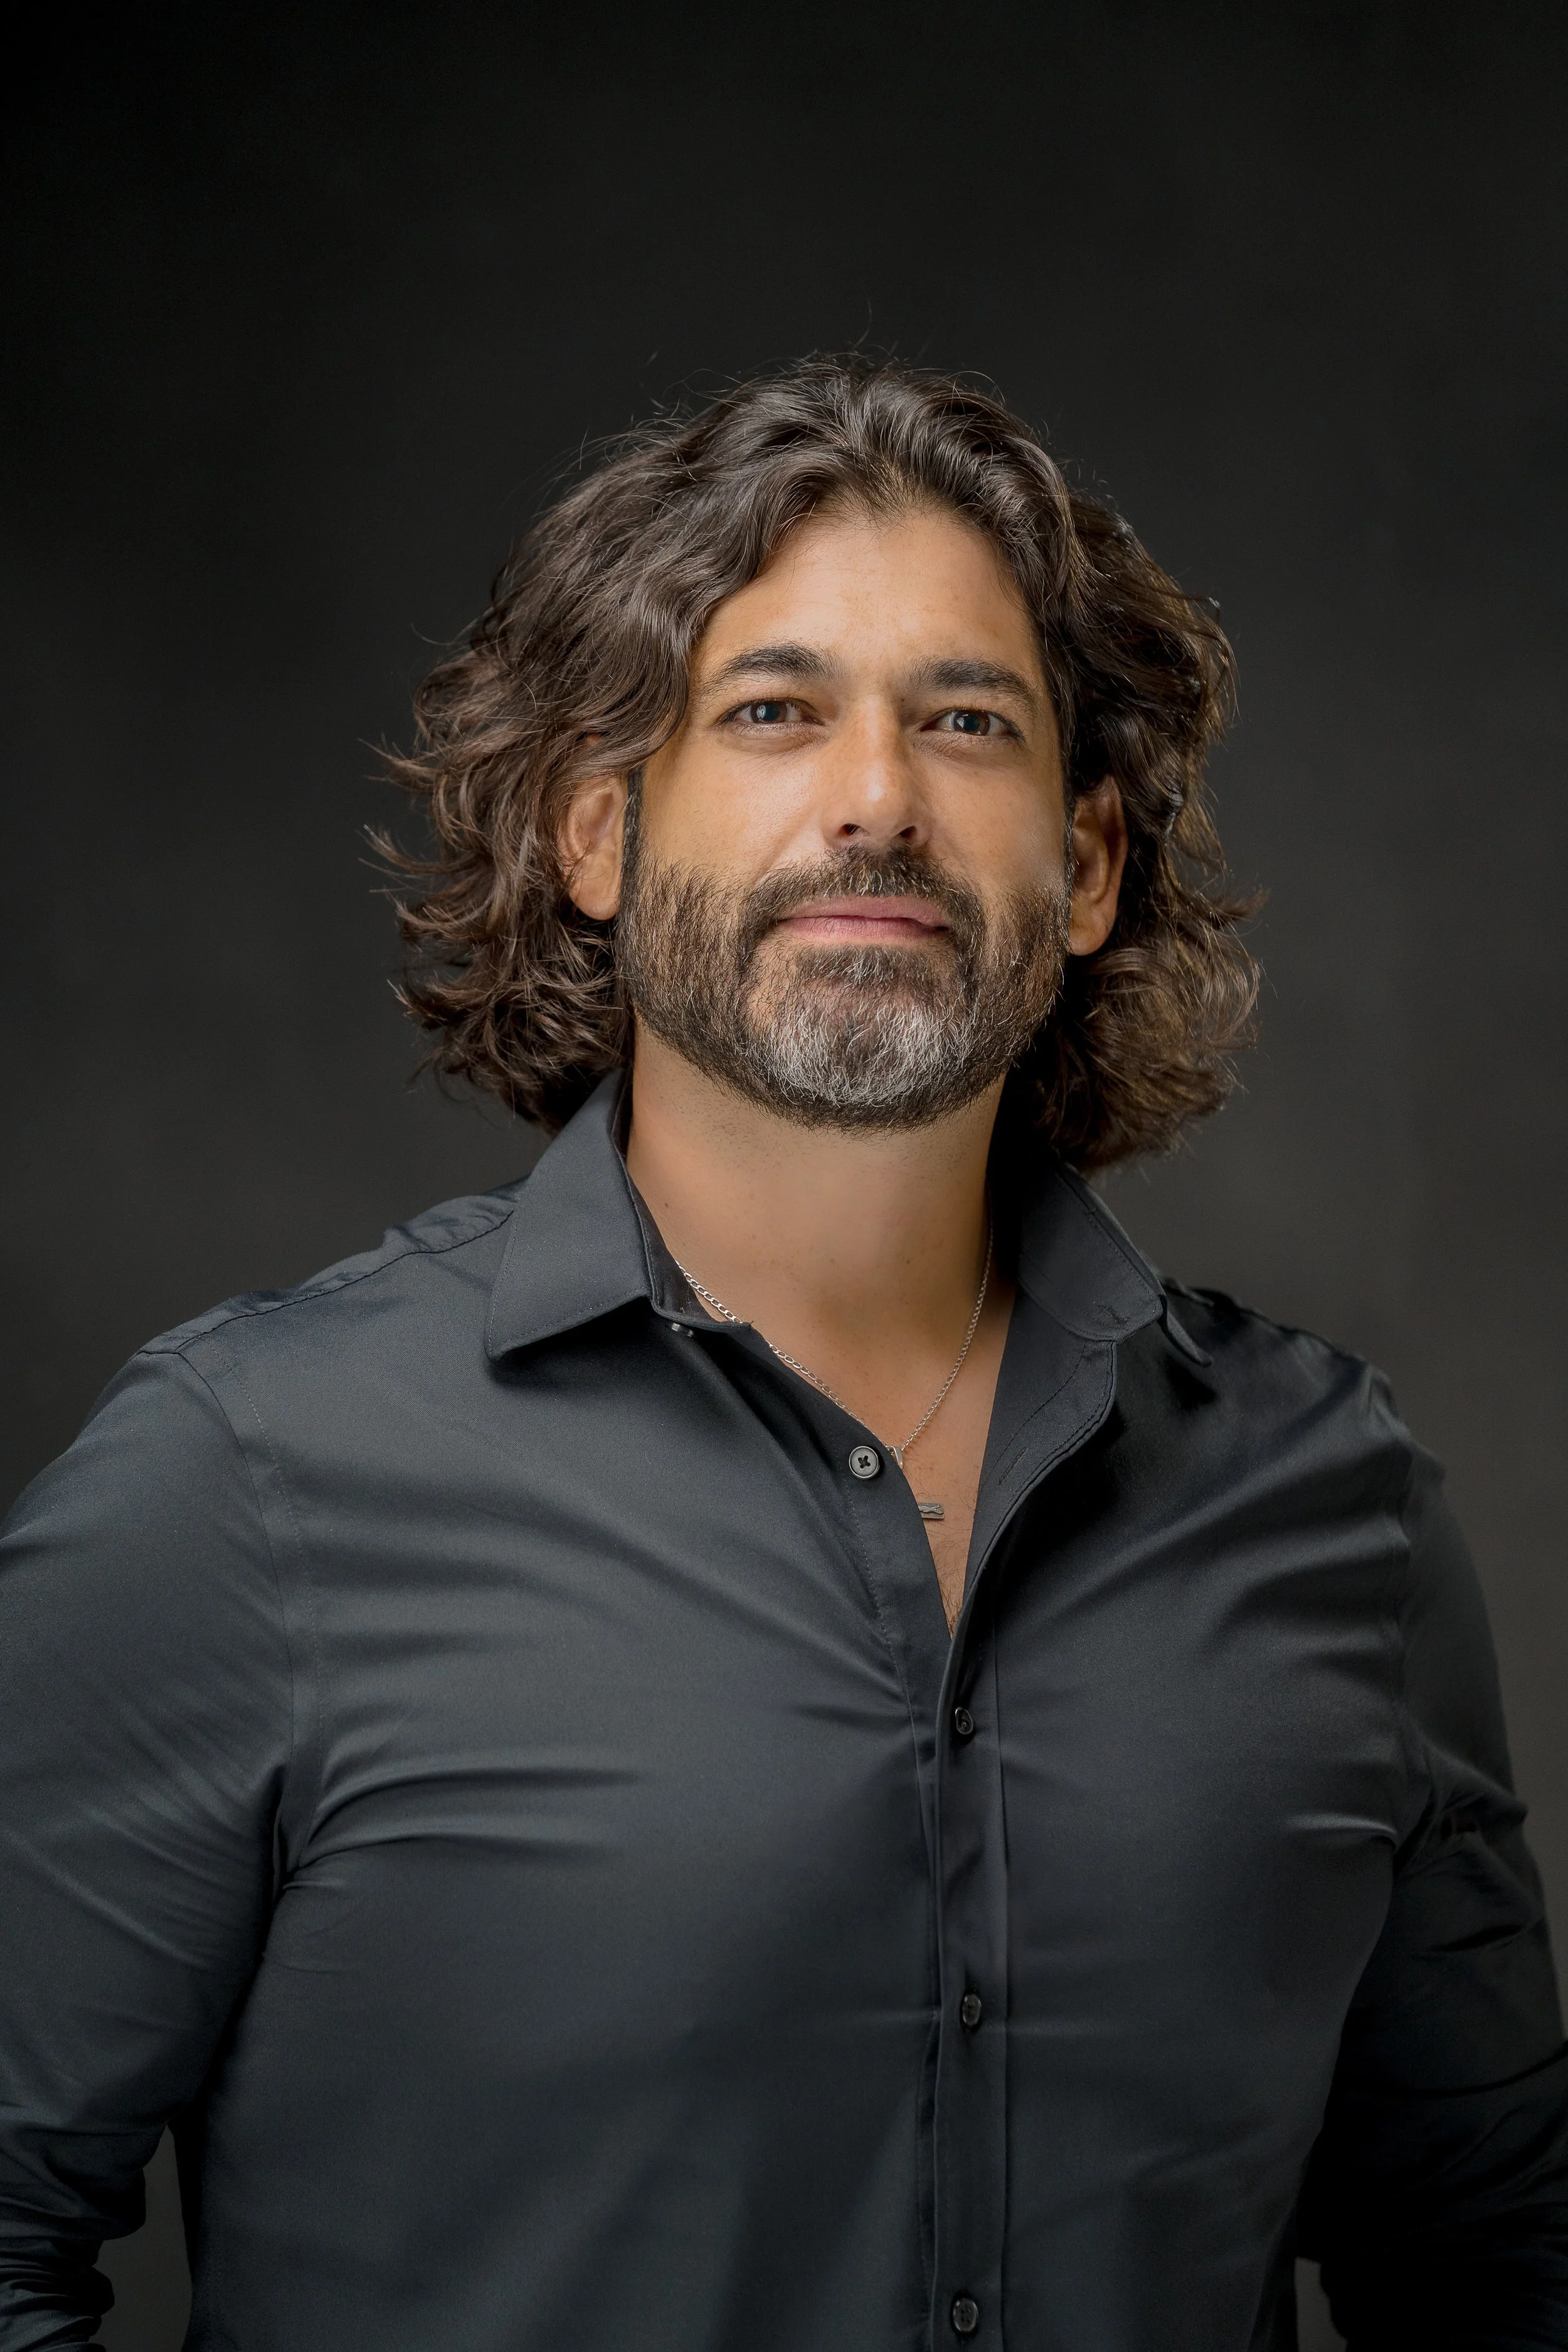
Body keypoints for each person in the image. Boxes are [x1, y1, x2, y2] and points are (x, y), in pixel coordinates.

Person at [1, 358, 1564, 2352]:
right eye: (770, 709)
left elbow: (1499, 2266)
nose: (876, 797)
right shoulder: (242, 1476)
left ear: (1086, 865)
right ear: (596, 833)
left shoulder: (1333, 1501)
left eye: (966, 721)